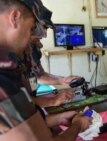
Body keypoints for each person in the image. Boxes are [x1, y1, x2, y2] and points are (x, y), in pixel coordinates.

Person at [0, 0, 91, 140]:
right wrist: (77, 126)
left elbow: (37, 76)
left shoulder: (13, 61)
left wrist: (61, 81)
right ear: (15, 18)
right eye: (33, 28)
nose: (40, 36)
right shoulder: (3, 74)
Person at [17, 8, 78, 108]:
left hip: (32, 106)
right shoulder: (7, 54)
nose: (44, 34)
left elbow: (39, 76)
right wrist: (52, 101)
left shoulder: (33, 48)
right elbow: (14, 102)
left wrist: (62, 80)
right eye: (43, 27)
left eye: (46, 29)